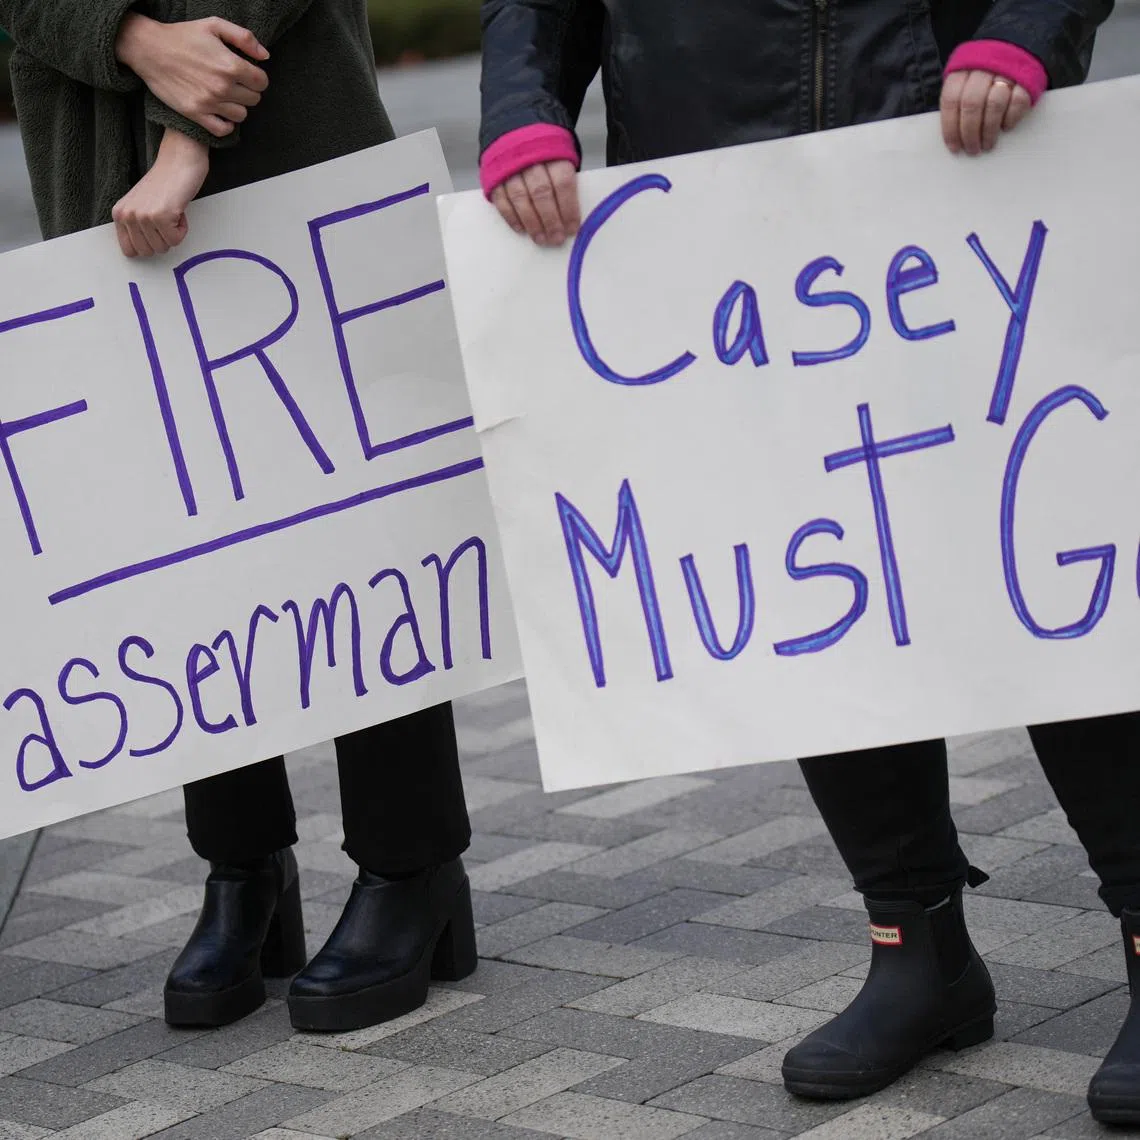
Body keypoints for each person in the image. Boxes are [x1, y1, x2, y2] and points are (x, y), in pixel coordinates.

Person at [477, 1, 1140, 1126]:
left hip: (967, 171)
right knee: (817, 586)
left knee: (1046, 574)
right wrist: (519, 112)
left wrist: (1029, 27)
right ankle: (914, 945)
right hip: (718, 209)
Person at [1, 0, 477, 1034]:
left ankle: (412, 865)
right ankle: (242, 868)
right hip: (92, 126)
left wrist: (192, 131)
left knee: (356, 500)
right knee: (182, 527)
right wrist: (128, 37)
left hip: (283, 107)